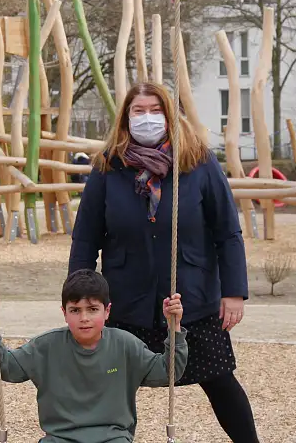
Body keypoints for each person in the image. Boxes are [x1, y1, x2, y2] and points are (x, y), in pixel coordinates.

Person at [69, 82, 258, 443]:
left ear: (170, 116)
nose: (147, 118)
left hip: (191, 297)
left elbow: (227, 232)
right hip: (127, 300)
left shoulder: (198, 161)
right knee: (113, 384)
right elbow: (86, 237)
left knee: (220, 380)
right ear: (126, 118)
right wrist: (78, 296)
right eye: (138, 111)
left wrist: (234, 292)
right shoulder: (108, 166)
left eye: (155, 111)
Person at [0, 269, 188, 443]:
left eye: (92, 309)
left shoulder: (125, 345)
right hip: (60, 438)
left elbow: (168, 372)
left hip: (113, 437)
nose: (84, 318)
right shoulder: (46, 346)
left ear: (107, 311)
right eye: (75, 310)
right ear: (64, 313)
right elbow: (4, 366)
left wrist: (174, 327)